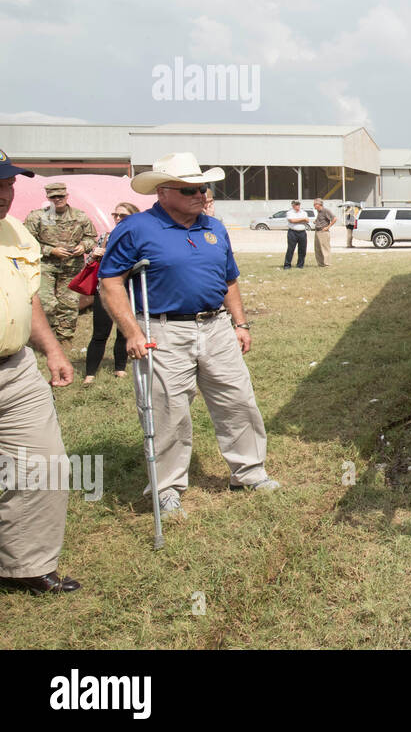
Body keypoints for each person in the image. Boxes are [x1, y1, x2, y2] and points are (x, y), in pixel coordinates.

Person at [98, 153, 278, 521]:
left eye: (203, 188)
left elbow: (229, 279)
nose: (200, 194)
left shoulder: (214, 227)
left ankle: (248, 472)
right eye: (190, 189)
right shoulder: (135, 228)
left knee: (238, 400)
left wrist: (240, 323)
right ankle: (166, 488)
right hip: (162, 330)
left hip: (216, 327)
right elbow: (110, 282)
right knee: (168, 410)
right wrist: (131, 331)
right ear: (163, 192)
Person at [0, 150, 79, 594]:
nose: (3, 194)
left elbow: (27, 297)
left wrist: (52, 350)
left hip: (15, 371)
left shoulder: (14, 233)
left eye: (8, 183)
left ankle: (26, 565)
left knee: (42, 465)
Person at [24, 182, 95, 345]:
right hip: (46, 265)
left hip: (71, 266)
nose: (57, 199)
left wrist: (83, 246)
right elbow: (27, 242)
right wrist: (51, 250)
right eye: (53, 197)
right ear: (48, 198)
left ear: (66, 196)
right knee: (45, 302)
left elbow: (91, 238)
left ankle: (64, 338)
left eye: (60, 196)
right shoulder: (37, 217)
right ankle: (45, 337)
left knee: (69, 303)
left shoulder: (80, 216)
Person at [83, 202, 139, 386]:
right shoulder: (106, 237)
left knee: (123, 331)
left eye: (122, 215)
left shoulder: (137, 237)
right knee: (100, 332)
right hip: (105, 291)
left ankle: (120, 368)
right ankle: (90, 373)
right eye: (115, 214)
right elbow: (90, 264)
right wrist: (96, 255)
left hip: (129, 290)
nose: (117, 218)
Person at [284, 200, 309, 269]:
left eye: (298, 204)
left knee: (302, 249)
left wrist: (297, 220)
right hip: (293, 232)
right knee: (290, 249)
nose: (297, 206)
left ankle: (300, 265)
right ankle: (287, 265)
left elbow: (307, 220)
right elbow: (292, 221)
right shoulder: (289, 212)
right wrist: (302, 219)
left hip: (302, 232)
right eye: (296, 204)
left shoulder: (304, 212)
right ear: (292, 205)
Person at [312, 198, 336, 267]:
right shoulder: (319, 212)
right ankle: (320, 264)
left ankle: (327, 263)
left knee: (325, 248)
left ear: (319, 204)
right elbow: (322, 219)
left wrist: (328, 227)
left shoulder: (325, 210)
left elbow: (334, 219)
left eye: (315, 204)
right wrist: (316, 221)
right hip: (317, 231)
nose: (314, 206)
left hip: (323, 232)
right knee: (318, 248)